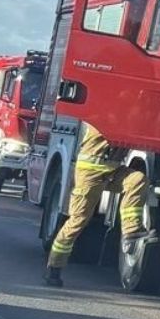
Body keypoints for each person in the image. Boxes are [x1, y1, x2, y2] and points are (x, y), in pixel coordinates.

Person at [43, 123, 146, 287]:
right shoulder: (106, 117)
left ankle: (131, 233)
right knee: (78, 220)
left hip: (112, 170)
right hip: (89, 172)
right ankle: (54, 267)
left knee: (137, 180)